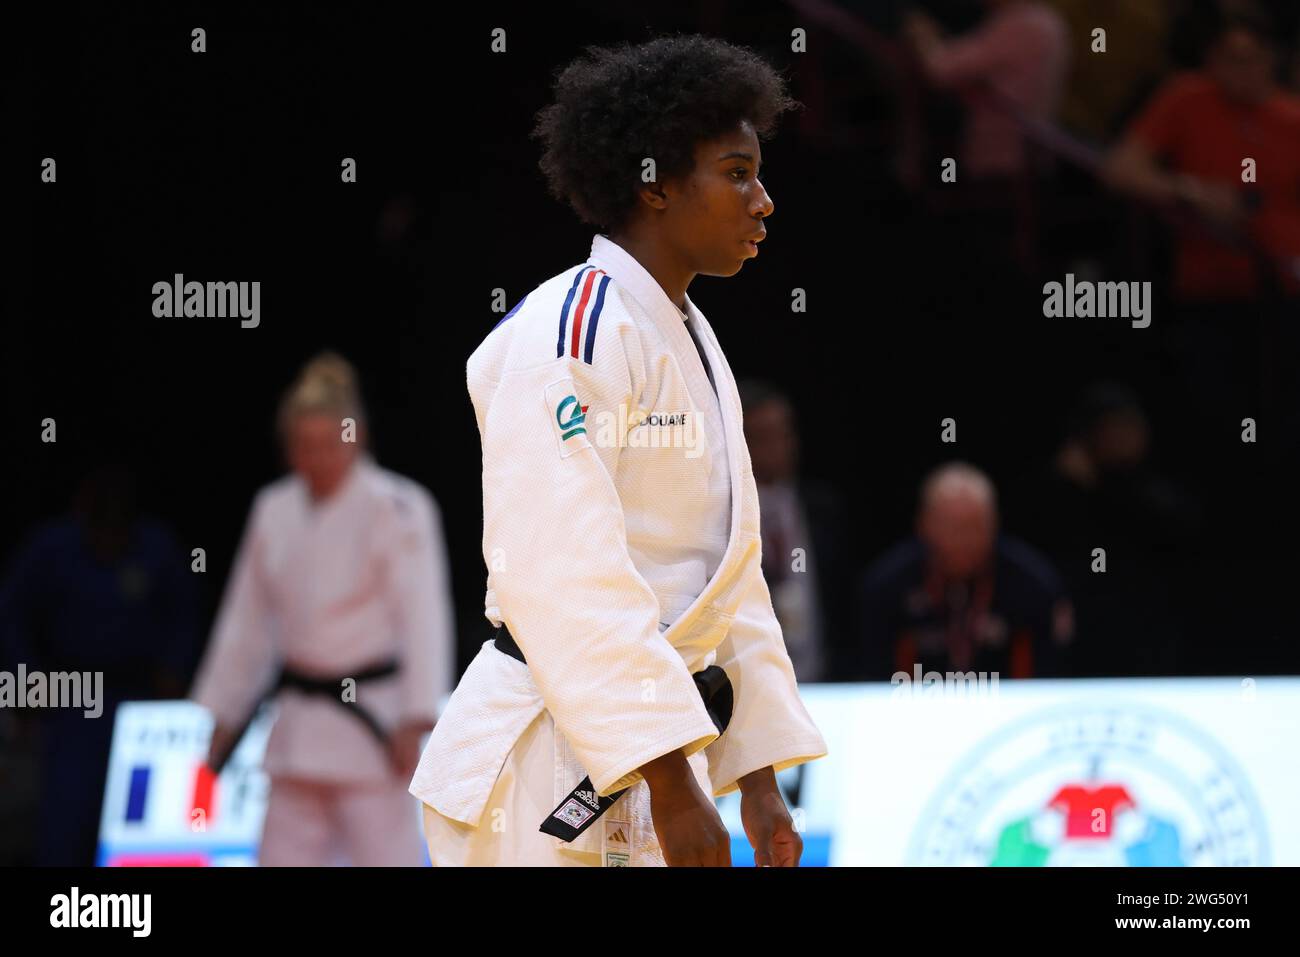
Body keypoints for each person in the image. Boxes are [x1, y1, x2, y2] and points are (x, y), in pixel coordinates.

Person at [410, 35, 827, 868]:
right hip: (542, 766)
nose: (763, 200)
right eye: (736, 172)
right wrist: (675, 783)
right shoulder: (573, 328)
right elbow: (561, 571)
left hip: (644, 749)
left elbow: (726, 577)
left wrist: (755, 772)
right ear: (657, 184)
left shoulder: (691, 336)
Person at [191, 352, 455, 866]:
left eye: (327, 445)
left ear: (355, 438)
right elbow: (247, 622)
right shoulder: (273, 509)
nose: (314, 459)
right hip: (297, 725)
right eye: (302, 447)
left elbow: (423, 618)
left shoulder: (399, 507)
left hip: (375, 726)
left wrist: (415, 716)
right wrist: (223, 714)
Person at [851, 463, 1074, 681]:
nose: (964, 540)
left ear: (995, 525)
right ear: (923, 524)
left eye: (975, 526)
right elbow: (874, 680)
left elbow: (1045, 681)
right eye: (953, 527)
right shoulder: (886, 585)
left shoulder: (1033, 584)